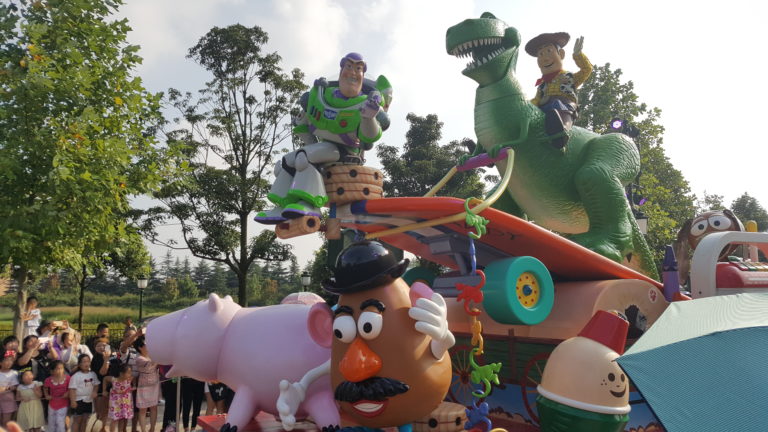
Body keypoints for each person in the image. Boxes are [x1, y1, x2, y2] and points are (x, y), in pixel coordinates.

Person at [255, 52, 391, 223]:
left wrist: (369, 117)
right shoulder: (326, 95)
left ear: (363, 75)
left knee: (304, 157)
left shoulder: (364, 104)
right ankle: (282, 205)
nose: (353, 72)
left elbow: (369, 137)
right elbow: (309, 138)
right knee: (285, 162)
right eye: (349, 67)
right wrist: (302, 120)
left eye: (358, 68)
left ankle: (311, 203)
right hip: (327, 149)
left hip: (347, 153)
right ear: (341, 70)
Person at [525, 32, 592, 149]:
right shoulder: (542, 85)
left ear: (560, 54)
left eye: (549, 51)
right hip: (543, 109)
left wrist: (578, 55)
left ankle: (561, 133)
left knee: (558, 107)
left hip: (564, 105)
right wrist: (525, 106)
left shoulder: (569, 77)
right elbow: (536, 100)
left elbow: (587, 69)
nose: (545, 58)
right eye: (540, 54)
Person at [68, 354, 99, 432]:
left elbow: (96, 384)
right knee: (77, 420)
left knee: (85, 420)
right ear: (79, 364)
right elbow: (72, 389)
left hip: (89, 401)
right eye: (84, 362)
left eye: (88, 361)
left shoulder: (93, 374)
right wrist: (73, 401)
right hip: (78, 400)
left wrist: (95, 391)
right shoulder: (76, 376)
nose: (86, 364)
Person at [133, 336, 159, 432]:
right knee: (143, 409)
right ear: (140, 347)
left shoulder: (152, 355)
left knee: (154, 407)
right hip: (144, 386)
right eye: (146, 344)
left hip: (155, 384)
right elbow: (150, 364)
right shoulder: (139, 358)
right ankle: (143, 430)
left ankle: (152, 429)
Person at [102, 364, 134, 432]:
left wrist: (134, 386)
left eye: (131, 372)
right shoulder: (114, 379)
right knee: (114, 419)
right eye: (128, 372)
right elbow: (105, 379)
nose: (130, 374)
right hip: (115, 403)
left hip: (125, 402)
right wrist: (104, 390)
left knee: (122, 419)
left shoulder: (130, 379)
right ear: (121, 373)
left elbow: (135, 378)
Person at [43, 361, 70, 432]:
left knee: (60, 422)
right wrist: (47, 395)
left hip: (63, 404)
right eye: (57, 369)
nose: (60, 371)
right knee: (51, 422)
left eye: (61, 368)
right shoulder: (48, 380)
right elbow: (45, 388)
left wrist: (68, 393)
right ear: (52, 371)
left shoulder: (67, 378)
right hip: (52, 404)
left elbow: (71, 388)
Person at [0, 352, 18, 428]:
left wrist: (6, 388)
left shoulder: (14, 373)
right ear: (0, 362)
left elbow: (15, 386)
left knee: (6, 421)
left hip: (8, 399)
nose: (9, 362)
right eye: (6, 360)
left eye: (11, 361)